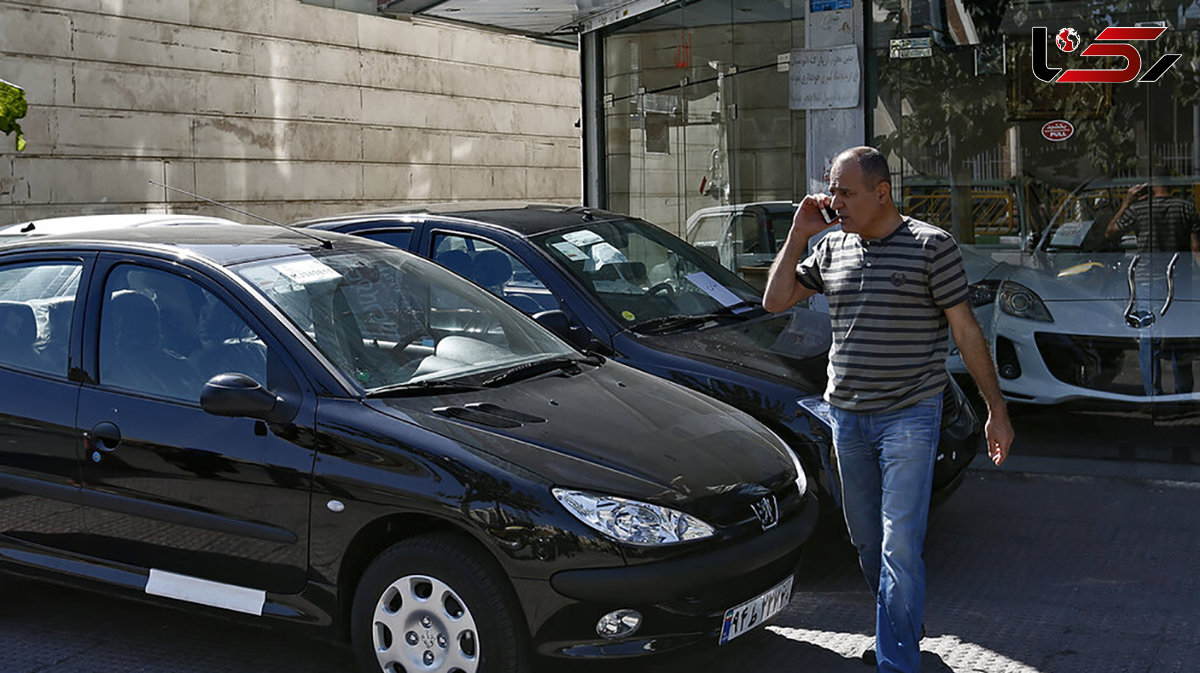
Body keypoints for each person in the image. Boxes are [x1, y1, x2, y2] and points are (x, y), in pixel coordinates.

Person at [763, 146, 1014, 673]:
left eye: (845, 192)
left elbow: (966, 330)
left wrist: (996, 408)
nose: (835, 201)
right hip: (846, 418)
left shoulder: (930, 246)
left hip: (910, 416)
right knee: (867, 540)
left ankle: (896, 661)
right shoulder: (831, 247)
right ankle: (902, 625)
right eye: (832, 190)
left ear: (883, 192)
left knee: (900, 543)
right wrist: (798, 234)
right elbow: (775, 300)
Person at [1105, 178, 1200, 395]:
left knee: (1149, 339)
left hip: (1147, 282)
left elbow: (1110, 232)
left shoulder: (1138, 209)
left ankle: (1153, 396)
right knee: (1180, 338)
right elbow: (1196, 249)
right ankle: (1183, 394)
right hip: (1179, 283)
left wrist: (1126, 202)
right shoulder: (1187, 208)